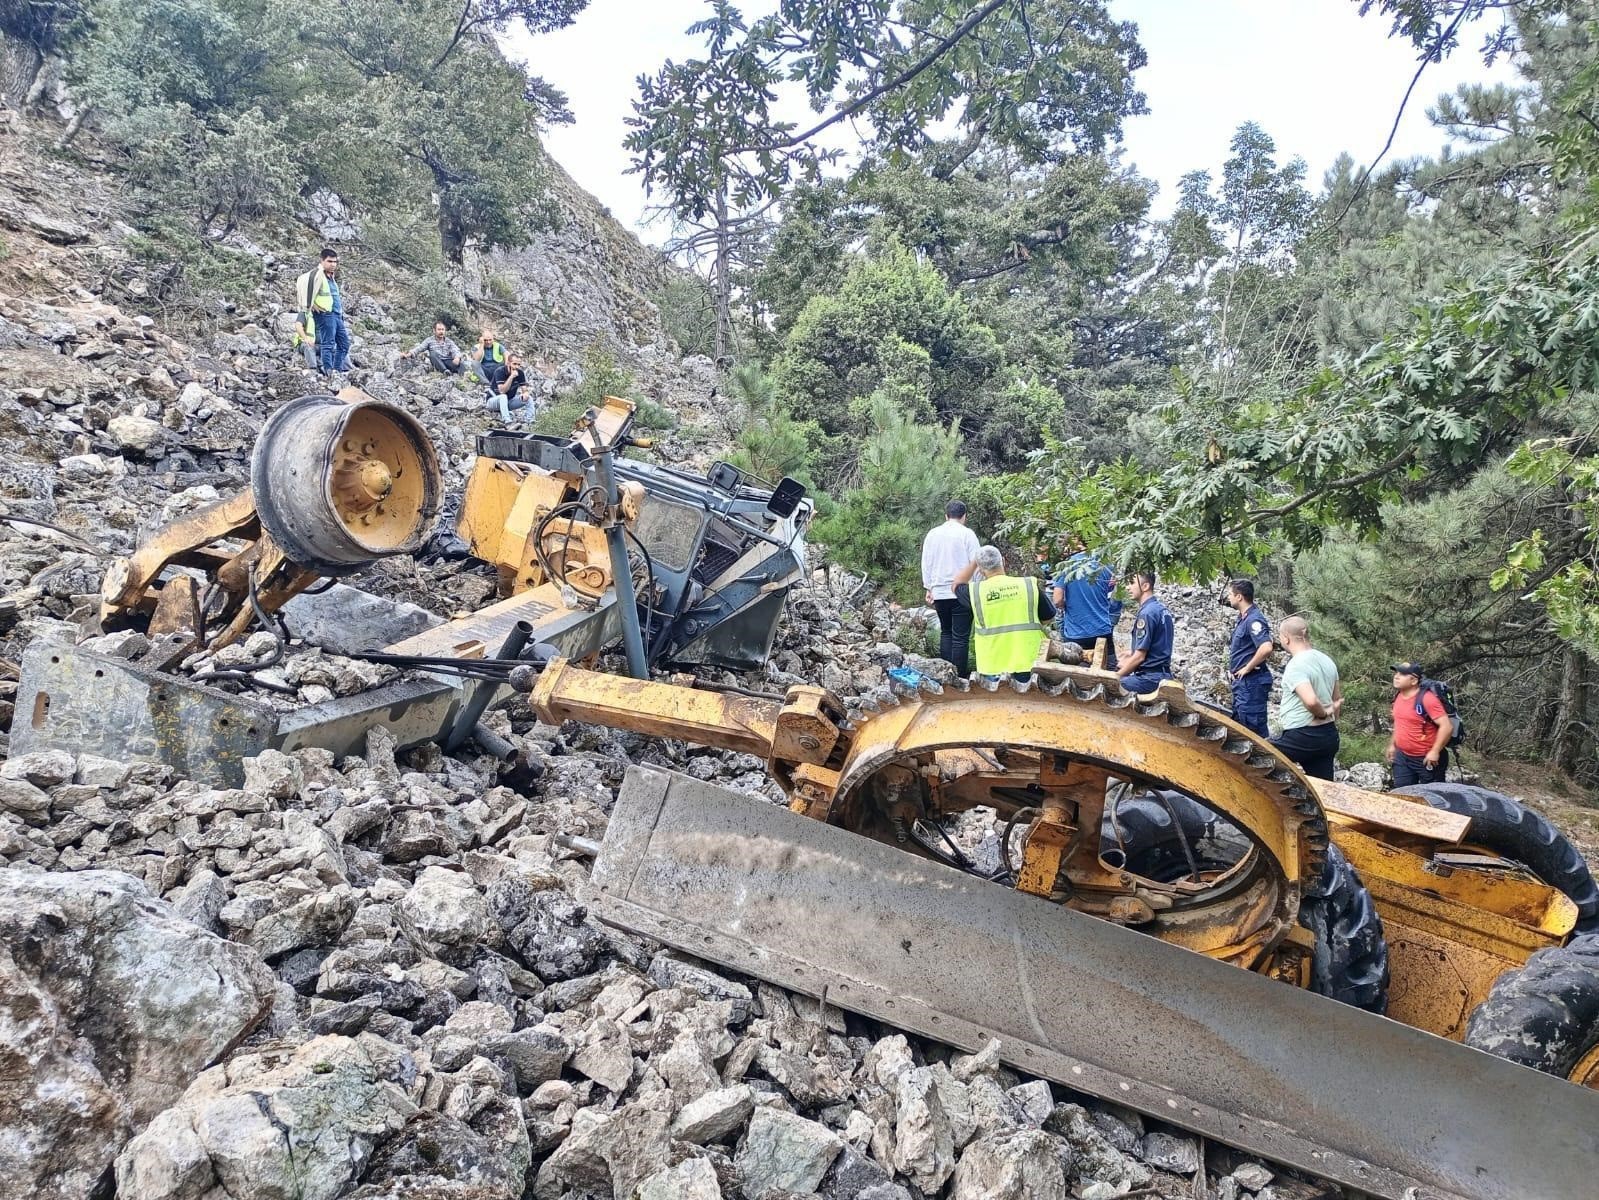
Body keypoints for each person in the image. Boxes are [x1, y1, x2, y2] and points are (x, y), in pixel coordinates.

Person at [952, 545, 1055, 680]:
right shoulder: (1027, 585)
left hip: (992, 665)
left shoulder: (975, 592)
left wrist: (974, 563)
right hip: (1029, 661)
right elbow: (1049, 618)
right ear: (1003, 561)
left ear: (981, 571)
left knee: (998, 701)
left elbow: (956, 584)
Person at [1269, 616, 1342, 779]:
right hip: (1328, 735)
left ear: (1286, 638)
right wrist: (1330, 722)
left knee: (1258, 755)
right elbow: (1337, 699)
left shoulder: (1296, 665)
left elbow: (1310, 700)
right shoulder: (1327, 660)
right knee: (1323, 789)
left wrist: (1321, 713)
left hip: (1303, 735)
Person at [921, 500, 981, 675]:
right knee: (961, 638)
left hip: (939, 591)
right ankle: (960, 678)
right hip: (962, 591)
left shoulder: (932, 534)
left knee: (946, 632)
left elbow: (926, 562)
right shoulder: (967, 534)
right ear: (964, 516)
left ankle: (946, 675)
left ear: (946, 516)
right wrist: (976, 587)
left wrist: (929, 587)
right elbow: (976, 563)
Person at [1051, 533, 1118, 670]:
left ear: (1077, 541)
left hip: (1075, 632)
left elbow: (1057, 600)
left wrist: (1068, 605)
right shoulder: (1105, 564)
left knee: (1075, 675)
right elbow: (1114, 595)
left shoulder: (1066, 566)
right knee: (1109, 671)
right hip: (1102, 629)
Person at [1387, 662, 1451, 786]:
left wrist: (1435, 751)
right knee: (1402, 794)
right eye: (1396, 673)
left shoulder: (1427, 699)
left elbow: (1447, 726)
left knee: (1431, 797)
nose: (1396, 676)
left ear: (1414, 680)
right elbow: (1400, 724)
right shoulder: (1399, 696)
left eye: (1403, 674)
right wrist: (1392, 745)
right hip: (1403, 757)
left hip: (1426, 759)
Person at [1224, 579, 1274, 737]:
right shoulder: (1243, 618)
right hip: (1242, 684)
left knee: (1253, 731)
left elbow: (1266, 647)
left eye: (1230, 594)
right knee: (1241, 728)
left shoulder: (1254, 619)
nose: (1228, 598)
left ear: (1239, 597)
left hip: (1252, 683)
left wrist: (1247, 667)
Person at [1116, 570, 1175, 696]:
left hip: (1149, 678)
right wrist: (1129, 653)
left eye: (1131, 583)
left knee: (1111, 688)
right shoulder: (1162, 610)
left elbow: (1140, 657)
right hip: (1163, 674)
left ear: (1145, 586)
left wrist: (1115, 677)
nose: (1127, 587)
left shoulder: (1146, 614)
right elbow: (1155, 646)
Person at [296, 247, 350, 374]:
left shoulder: (331, 277)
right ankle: (329, 371)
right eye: (330, 261)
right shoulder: (317, 275)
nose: (333, 264)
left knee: (344, 344)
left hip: (336, 314)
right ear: (322, 261)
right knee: (329, 343)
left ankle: (336, 369)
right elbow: (307, 290)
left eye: (335, 262)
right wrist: (310, 305)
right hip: (326, 314)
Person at [483, 352, 535, 423]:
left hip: (508, 401)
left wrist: (525, 393)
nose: (516, 367)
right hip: (493, 401)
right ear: (508, 363)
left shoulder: (520, 373)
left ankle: (529, 420)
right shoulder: (500, 371)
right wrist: (511, 377)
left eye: (518, 364)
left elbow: (524, 389)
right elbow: (502, 391)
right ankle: (507, 421)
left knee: (529, 398)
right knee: (503, 396)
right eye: (514, 364)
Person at [403, 321, 467, 375]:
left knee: (461, 364)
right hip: (437, 361)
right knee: (432, 354)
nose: (441, 331)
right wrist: (408, 354)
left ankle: (463, 377)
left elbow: (455, 349)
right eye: (439, 329)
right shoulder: (429, 340)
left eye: (442, 329)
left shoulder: (449, 341)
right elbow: (419, 348)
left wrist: (457, 357)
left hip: (447, 360)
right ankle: (445, 371)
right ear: (434, 330)